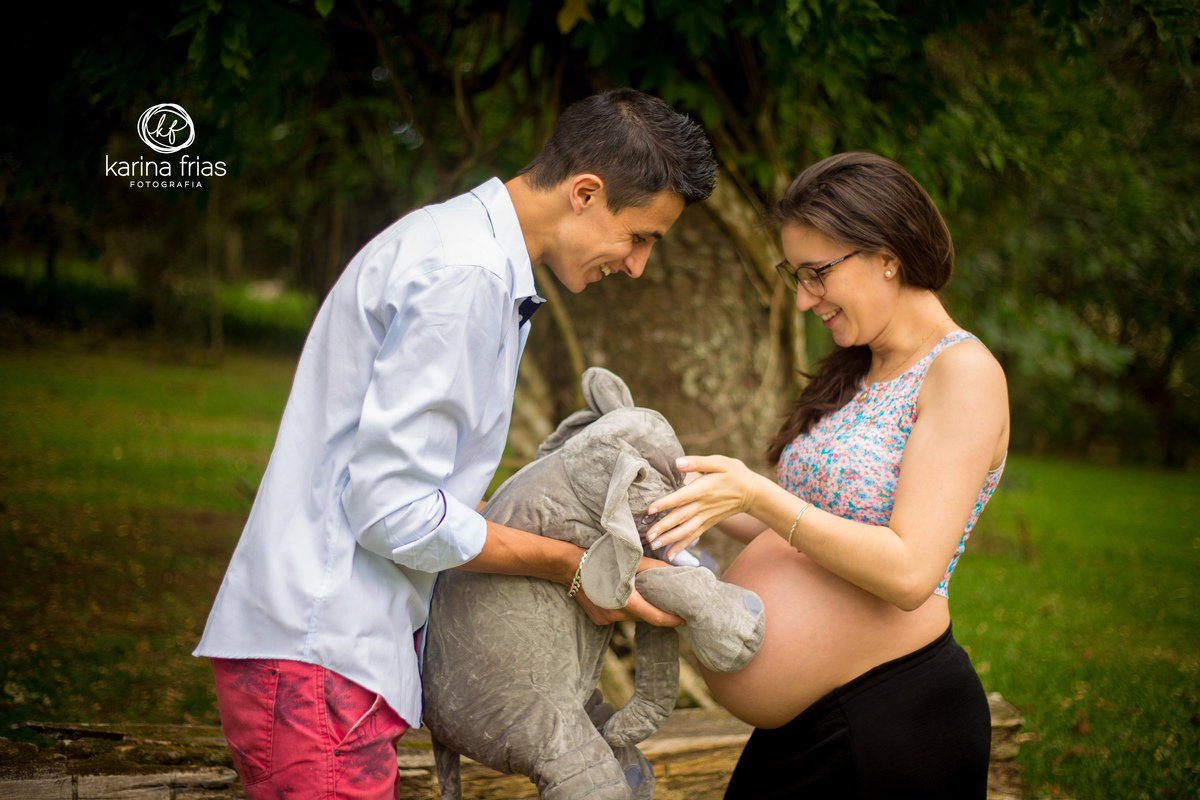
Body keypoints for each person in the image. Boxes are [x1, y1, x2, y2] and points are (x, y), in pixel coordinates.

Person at [193, 88, 717, 799]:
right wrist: (571, 567)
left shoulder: (471, 257)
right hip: (322, 657)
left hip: (336, 658)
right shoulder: (462, 276)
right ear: (586, 193)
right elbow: (392, 510)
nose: (637, 265)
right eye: (640, 237)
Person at [643, 151, 1009, 798]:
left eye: (817, 274)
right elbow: (798, 522)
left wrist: (758, 493)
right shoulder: (860, 369)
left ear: (887, 255)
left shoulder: (963, 374)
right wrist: (689, 490)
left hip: (895, 720)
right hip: (811, 722)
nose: (806, 299)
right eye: (795, 275)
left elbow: (908, 571)